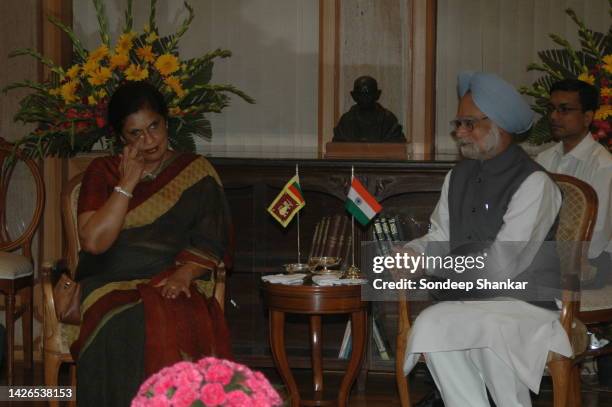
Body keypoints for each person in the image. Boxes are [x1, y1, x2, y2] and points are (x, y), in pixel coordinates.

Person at [400, 72, 572, 407]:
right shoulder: (457, 175)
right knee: (436, 324)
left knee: (473, 329)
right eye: (458, 123)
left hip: (525, 306)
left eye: (468, 123)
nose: (459, 133)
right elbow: (440, 235)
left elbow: (503, 265)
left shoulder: (535, 184)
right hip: (472, 301)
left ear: (500, 126)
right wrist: (412, 253)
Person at [71, 81, 233, 406]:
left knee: (178, 319)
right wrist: (127, 182)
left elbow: (212, 239)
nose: (148, 140)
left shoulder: (195, 172)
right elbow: (93, 242)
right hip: (109, 283)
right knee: (126, 324)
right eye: (135, 133)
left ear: (166, 123)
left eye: (154, 127)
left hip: (174, 276)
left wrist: (184, 274)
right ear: (121, 138)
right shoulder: (102, 172)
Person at [536, 79, 612, 286]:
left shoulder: (604, 166)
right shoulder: (543, 159)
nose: (553, 116)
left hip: (592, 264)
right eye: (551, 109)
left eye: (564, 110)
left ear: (587, 117)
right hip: (545, 258)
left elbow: (595, 238)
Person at [332, 75, 406, 142]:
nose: (365, 98)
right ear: (354, 96)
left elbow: (397, 146)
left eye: (369, 93)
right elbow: (338, 146)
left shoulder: (388, 120)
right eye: (361, 94)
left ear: (377, 94)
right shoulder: (346, 122)